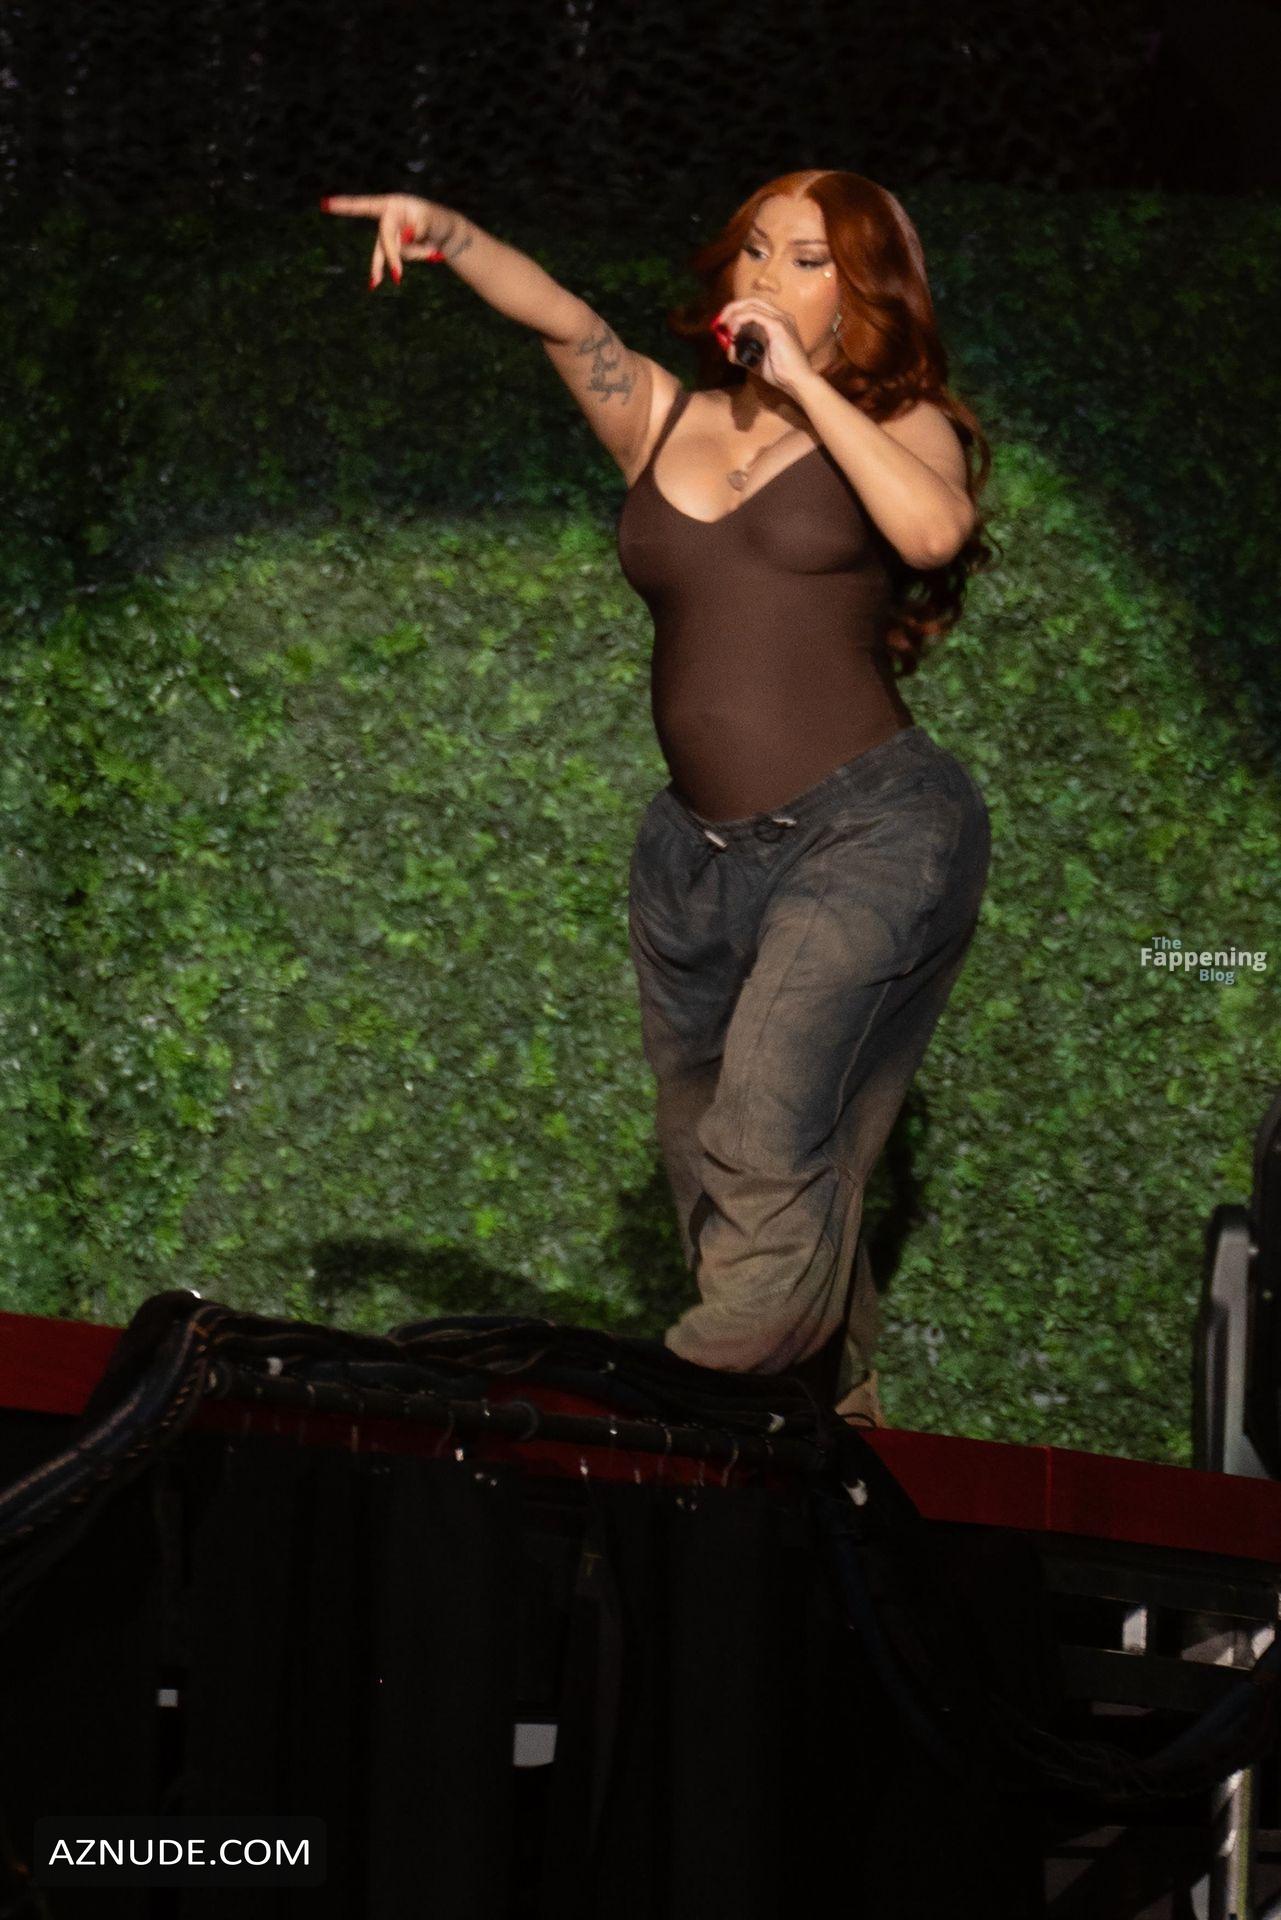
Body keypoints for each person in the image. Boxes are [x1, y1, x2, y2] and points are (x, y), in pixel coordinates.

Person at [322, 169, 996, 1426]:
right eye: (755, 250)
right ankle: (830, 1425)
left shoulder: (902, 424)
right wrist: (449, 230)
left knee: (766, 1126)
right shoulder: (664, 417)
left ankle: (695, 1406)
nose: (767, 277)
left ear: (863, 296)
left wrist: (806, 385)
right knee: (715, 1169)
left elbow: (929, 536)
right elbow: (566, 320)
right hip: (692, 862)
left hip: (870, 831)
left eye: (807, 260)